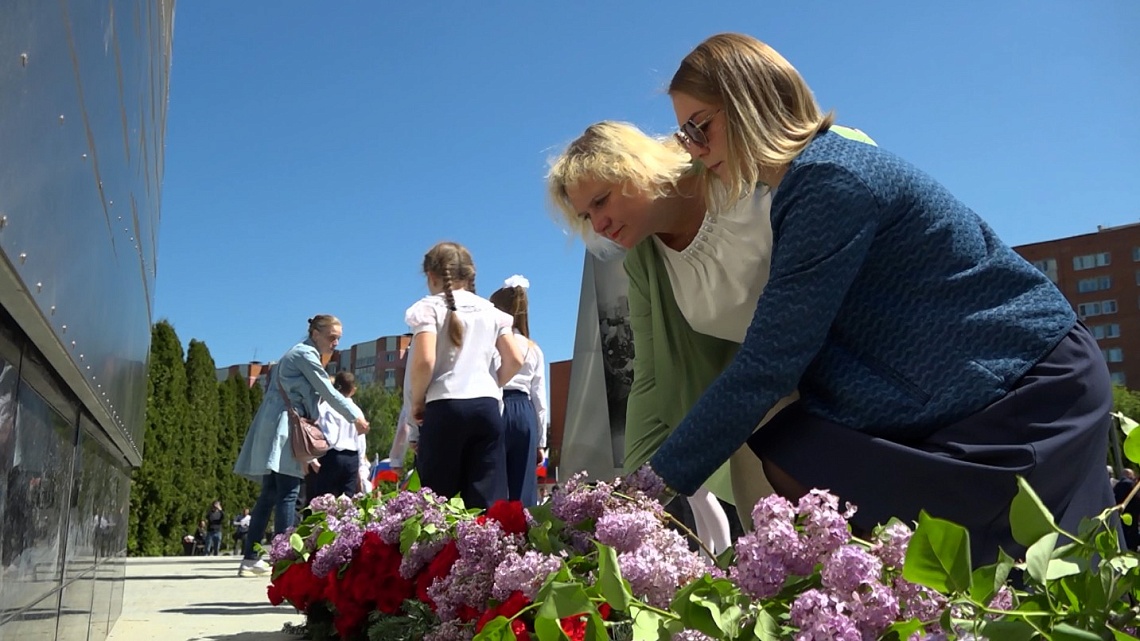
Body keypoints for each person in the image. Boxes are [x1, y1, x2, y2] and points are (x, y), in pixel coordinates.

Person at [643, 32, 1113, 564]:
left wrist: (647, 489)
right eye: (685, 136)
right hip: (1000, 384)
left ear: (751, 101)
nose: (695, 151)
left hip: (1029, 389)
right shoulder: (807, 181)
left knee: (1029, 589)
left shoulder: (829, 179)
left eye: (699, 127)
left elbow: (770, 360)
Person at [232, 315, 369, 577]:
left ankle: (251, 559)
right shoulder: (306, 355)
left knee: (271, 493)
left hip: (277, 423)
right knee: (288, 492)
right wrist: (356, 416)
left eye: (339, 337)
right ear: (315, 333)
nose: (336, 342)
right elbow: (328, 393)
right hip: (285, 426)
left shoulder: (295, 353)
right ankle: (285, 560)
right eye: (332, 336)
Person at [405, 241, 524, 509]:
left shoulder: (428, 308)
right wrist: (494, 384)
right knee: (486, 503)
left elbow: (424, 361)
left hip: (444, 406)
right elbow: (515, 359)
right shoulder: (493, 312)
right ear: (470, 275)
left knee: (436, 503)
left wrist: (417, 401)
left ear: (431, 276)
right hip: (486, 407)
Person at [490, 275, 549, 507]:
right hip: (525, 412)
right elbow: (539, 398)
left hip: (497, 406)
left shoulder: (493, 343)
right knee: (523, 487)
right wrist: (541, 443)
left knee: (493, 483)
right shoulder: (534, 348)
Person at [308, 371, 371, 500]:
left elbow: (320, 433)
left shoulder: (325, 407)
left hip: (332, 455)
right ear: (353, 390)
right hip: (351, 457)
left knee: (324, 499)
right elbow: (361, 440)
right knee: (347, 499)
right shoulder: (357, 411)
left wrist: (313, 458)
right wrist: (360, 464)